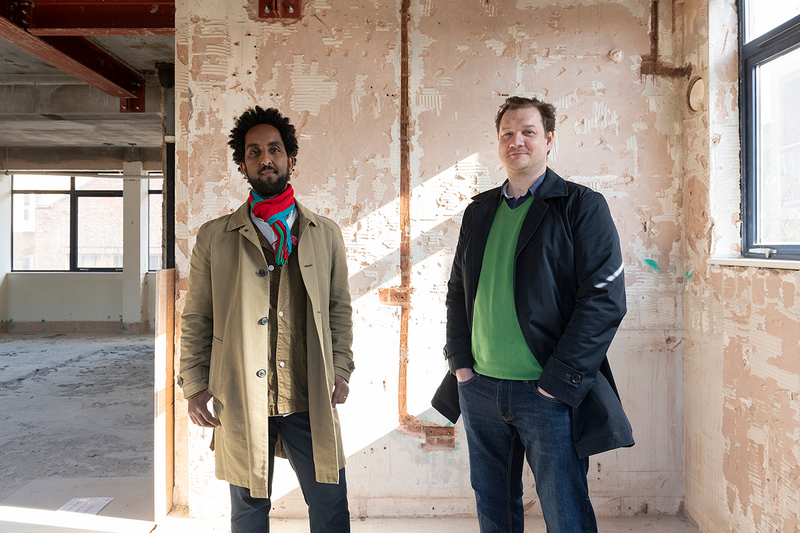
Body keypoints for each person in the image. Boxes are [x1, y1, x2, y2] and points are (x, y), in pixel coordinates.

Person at [432, 96, 634, 533]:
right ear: (498, 143)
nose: (516, 141)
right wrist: (460, 364)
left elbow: (604, 300)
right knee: (494, 511)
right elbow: (456, 291)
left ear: (549, 140)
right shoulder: (479, 211)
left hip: (547, 393)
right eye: (507, 133)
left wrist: (557, 384)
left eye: (527, 132)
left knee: (566, 514)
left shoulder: (581, 206)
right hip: (480, 389)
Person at [177, 106, 355, 533]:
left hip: (307, 393)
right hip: (241, 392)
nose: (265, 159)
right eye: (253, 152)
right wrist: (194, 384)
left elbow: (338, 308)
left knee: (330, 504)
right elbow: (198, 315)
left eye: (274, 149)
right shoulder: (214, 237)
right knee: (249, 511)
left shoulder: (323, 233)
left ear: (291, 159)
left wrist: (342, 367)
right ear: (243, 165)